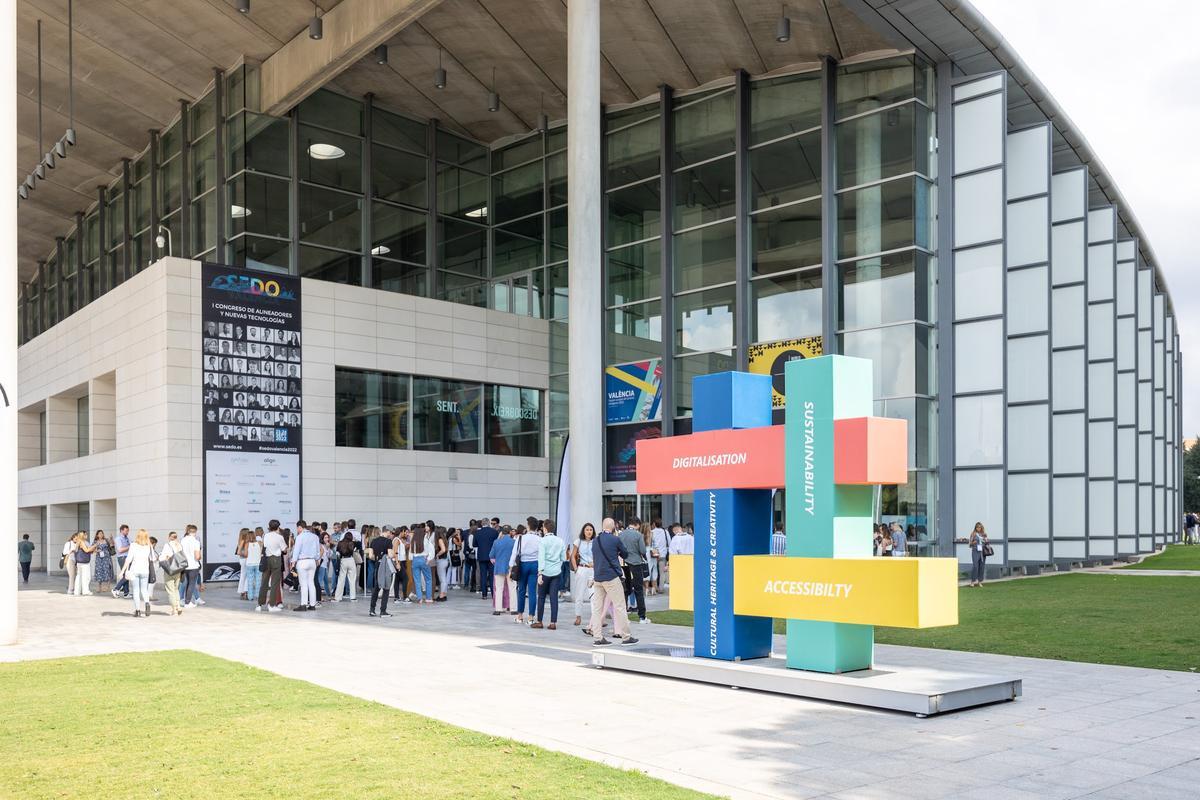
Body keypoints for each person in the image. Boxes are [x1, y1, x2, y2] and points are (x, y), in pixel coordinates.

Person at [591, 519, 637, 646]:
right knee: (620, 606)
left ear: (602, 526)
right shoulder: (615, 539)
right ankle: (626, 637)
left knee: (597, 609)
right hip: (611, 576)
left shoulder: (595, 540)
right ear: (613, 528)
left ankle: (598, 637)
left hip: (598, 577)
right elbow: (625, 554)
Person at [533, 527, 567, 629]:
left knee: (541, 597)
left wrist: (539, 574)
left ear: (545, 529)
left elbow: (541, 558)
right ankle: (553, 623)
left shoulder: (543, 541)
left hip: (545, 572)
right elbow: (564, 558)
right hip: (556, 572)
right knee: (554, 598)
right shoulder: (560, 541)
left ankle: (539, 621)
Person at [618, 517, 649, 624]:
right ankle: (642, 617)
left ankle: (624, 617)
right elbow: (643, 550)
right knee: (638, 590)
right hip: (635, 564)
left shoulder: (621, 534)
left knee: (625, 590)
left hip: (623, 564)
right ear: (636, 524)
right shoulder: (638, 535)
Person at [120, 529, 155, 617]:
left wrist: (122, 571)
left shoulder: (133, 545)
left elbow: (129, 559)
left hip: (135, 570)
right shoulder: (149, 546)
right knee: (144, 589)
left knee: (136, 590)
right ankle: (147, 603)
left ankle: (138, 610)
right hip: (145, 571)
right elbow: (153, 559)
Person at [256, 519, 288, 612]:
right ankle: (272, 605)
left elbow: (264, 546)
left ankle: (259, 605)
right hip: (276, 560)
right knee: (274, 583)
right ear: (278, 527)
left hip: (266, 559)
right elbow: (284, 550)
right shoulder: (279, 537)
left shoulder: (265, 536)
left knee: (264, 582)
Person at [513, 524, 541, 625]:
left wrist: (511, 566)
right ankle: (531, 617)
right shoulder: (539, 539)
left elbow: (514, 553)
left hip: (523, 564)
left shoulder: (521, 538)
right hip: (535, 564)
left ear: (528, 527)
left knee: (521, 590)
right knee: (532, 592)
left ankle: (520, 616)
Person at [570, 523, 596, 628]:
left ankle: (595, 618)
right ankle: (578, 616)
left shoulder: (596, 542)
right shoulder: (578, 541)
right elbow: (573, 556)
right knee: (579, 594)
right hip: (582, 568)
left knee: (594, 595)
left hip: (593, 570)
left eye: (591, 530)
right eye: (587, 530)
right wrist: (576, 568)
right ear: (583, 531)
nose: (589, 531)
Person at [291, 521, 320, 611]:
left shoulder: (300, 537)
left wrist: (293, 562)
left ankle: (303, 605)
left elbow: (296, 551)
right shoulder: (315, 537)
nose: (297, 530)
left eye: (297, 528)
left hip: (302, 562)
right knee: (311, 583)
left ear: (300, 527)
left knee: (303, 584)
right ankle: (312, 605)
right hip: (312, 561)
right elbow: (318, 551)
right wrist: (317, 559)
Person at [368, 527, 395, 618]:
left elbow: (371, 556)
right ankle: (383, 611)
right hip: (385, 567)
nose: (391, 534)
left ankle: (372, 610)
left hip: (377, 565)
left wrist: (378, 557)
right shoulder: (388, 541)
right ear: (387, 531)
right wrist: (392, 554)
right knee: (386, 588)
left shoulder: (373, 541)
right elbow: (390, 555)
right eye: (390, 532)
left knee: (376, 588)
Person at [159, 532, 187, 616]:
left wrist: (161, 556)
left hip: (170, 570)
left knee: (170, 590)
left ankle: (174, 609)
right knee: (176, 589)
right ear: (176, 537)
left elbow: (163, 557)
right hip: (178, 570)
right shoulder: (179, 545)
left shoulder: (167, 545)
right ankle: (178, 606)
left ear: (169, 537)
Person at [490, 526, 516, 615]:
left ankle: (498, 609)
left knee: (499, 588)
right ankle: (513, 609)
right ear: (510, 533)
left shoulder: (496, 542)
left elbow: (491, 555)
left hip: (499, 567)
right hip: (511, 568)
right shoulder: (514, 542)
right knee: (512, 588)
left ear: (502, 533)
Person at [474, 518, 499, 600]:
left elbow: (474, 544)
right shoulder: (494, 532)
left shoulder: (477, 532)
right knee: (492, 576)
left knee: (483, 575)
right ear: (489, 523)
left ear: (481, 523)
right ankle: (493, 594)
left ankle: (484, 595)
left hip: (481, 556)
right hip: (492, 556)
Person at [181, 525, 203, 607]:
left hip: (184, 565)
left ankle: (185, 601)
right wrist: (200, 556)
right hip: (193, 565)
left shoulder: (183, 540)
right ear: (195, 532)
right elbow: (197, 556)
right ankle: (187, 602)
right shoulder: (196, 542)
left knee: (186, 583)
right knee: (191, 584)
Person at [410, 525, 433, 604]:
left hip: (415, 560)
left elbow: (410, 554)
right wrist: (429, 559)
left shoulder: (413, 541)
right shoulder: (426, 540)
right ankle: (428, 598)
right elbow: (431, 550)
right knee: (428, 579)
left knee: (417, 580)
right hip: (424, 559)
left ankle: (419, 598)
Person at [334, 531, 358, 601]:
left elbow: (337, 552)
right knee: (352, 579)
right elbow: (356, 550)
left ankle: (338, 597)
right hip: (351, 560)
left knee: (341, 579)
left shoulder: (340, 543)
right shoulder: (352, 543)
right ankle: (353, 597)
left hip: (343, 560)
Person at [240, 528, 262, 603]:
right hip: (258, 563)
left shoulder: (247, 544)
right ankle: (258, 596)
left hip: (249, 564)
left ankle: (250, 597)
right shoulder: (259, 543)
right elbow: (261, 553)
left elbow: (246, 554)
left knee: (250, 581)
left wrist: (241, 553)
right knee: (258, 581)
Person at [111, 524, 131, 598]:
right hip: (122, 558)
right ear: (121, 530)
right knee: (126, 575)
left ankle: (126, 593)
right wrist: (130, 547)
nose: (127, 532)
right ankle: (116, 589)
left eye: (128, 531)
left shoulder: (127, 538)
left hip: (127, 557)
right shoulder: (118, 539)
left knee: (127, 574)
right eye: (126, 531)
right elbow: (120, 550)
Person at [649, 519, 669, 593]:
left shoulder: (652, 532)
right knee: (662, 572)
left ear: (654, 524)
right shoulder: (665, 532)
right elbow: (669, 542)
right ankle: (661, 588)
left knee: (653, 571)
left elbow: (649, 543)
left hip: (654, 554)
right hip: (663, 554)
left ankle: (654, 587)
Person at [72, 531, 95, 596]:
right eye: (85, 534)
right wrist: (94, 546)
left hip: (79, 562)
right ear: (83, 535)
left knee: (79, 577)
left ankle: (77, 591)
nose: (87, 535)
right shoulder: (82, 542)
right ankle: (85, 591)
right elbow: (86, 550)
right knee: (86, 577)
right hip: (84, 563)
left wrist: (92, 549)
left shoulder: (77, 542)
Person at [968, 522, 990, 587]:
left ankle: (979, 581)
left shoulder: (984, 534)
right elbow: (969, 544)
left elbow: (987, 542)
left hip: (982, 552)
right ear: (975, 527)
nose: (978, 528)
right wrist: (973, 542)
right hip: (975, 551)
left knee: (982, 566)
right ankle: (972, 581)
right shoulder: (973, 534)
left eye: (980, 527)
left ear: (981, 527)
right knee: (975, 566)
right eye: (977, 527)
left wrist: (986, 540)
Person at [433, 526, 450, 602]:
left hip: (441, 561)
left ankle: (442, 595)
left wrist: (437, 554)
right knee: (444, 579)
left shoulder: (439, 539)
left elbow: (443, 550)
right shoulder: (445, 539)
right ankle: (444, 594)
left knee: (442, 579)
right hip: (445, 560)